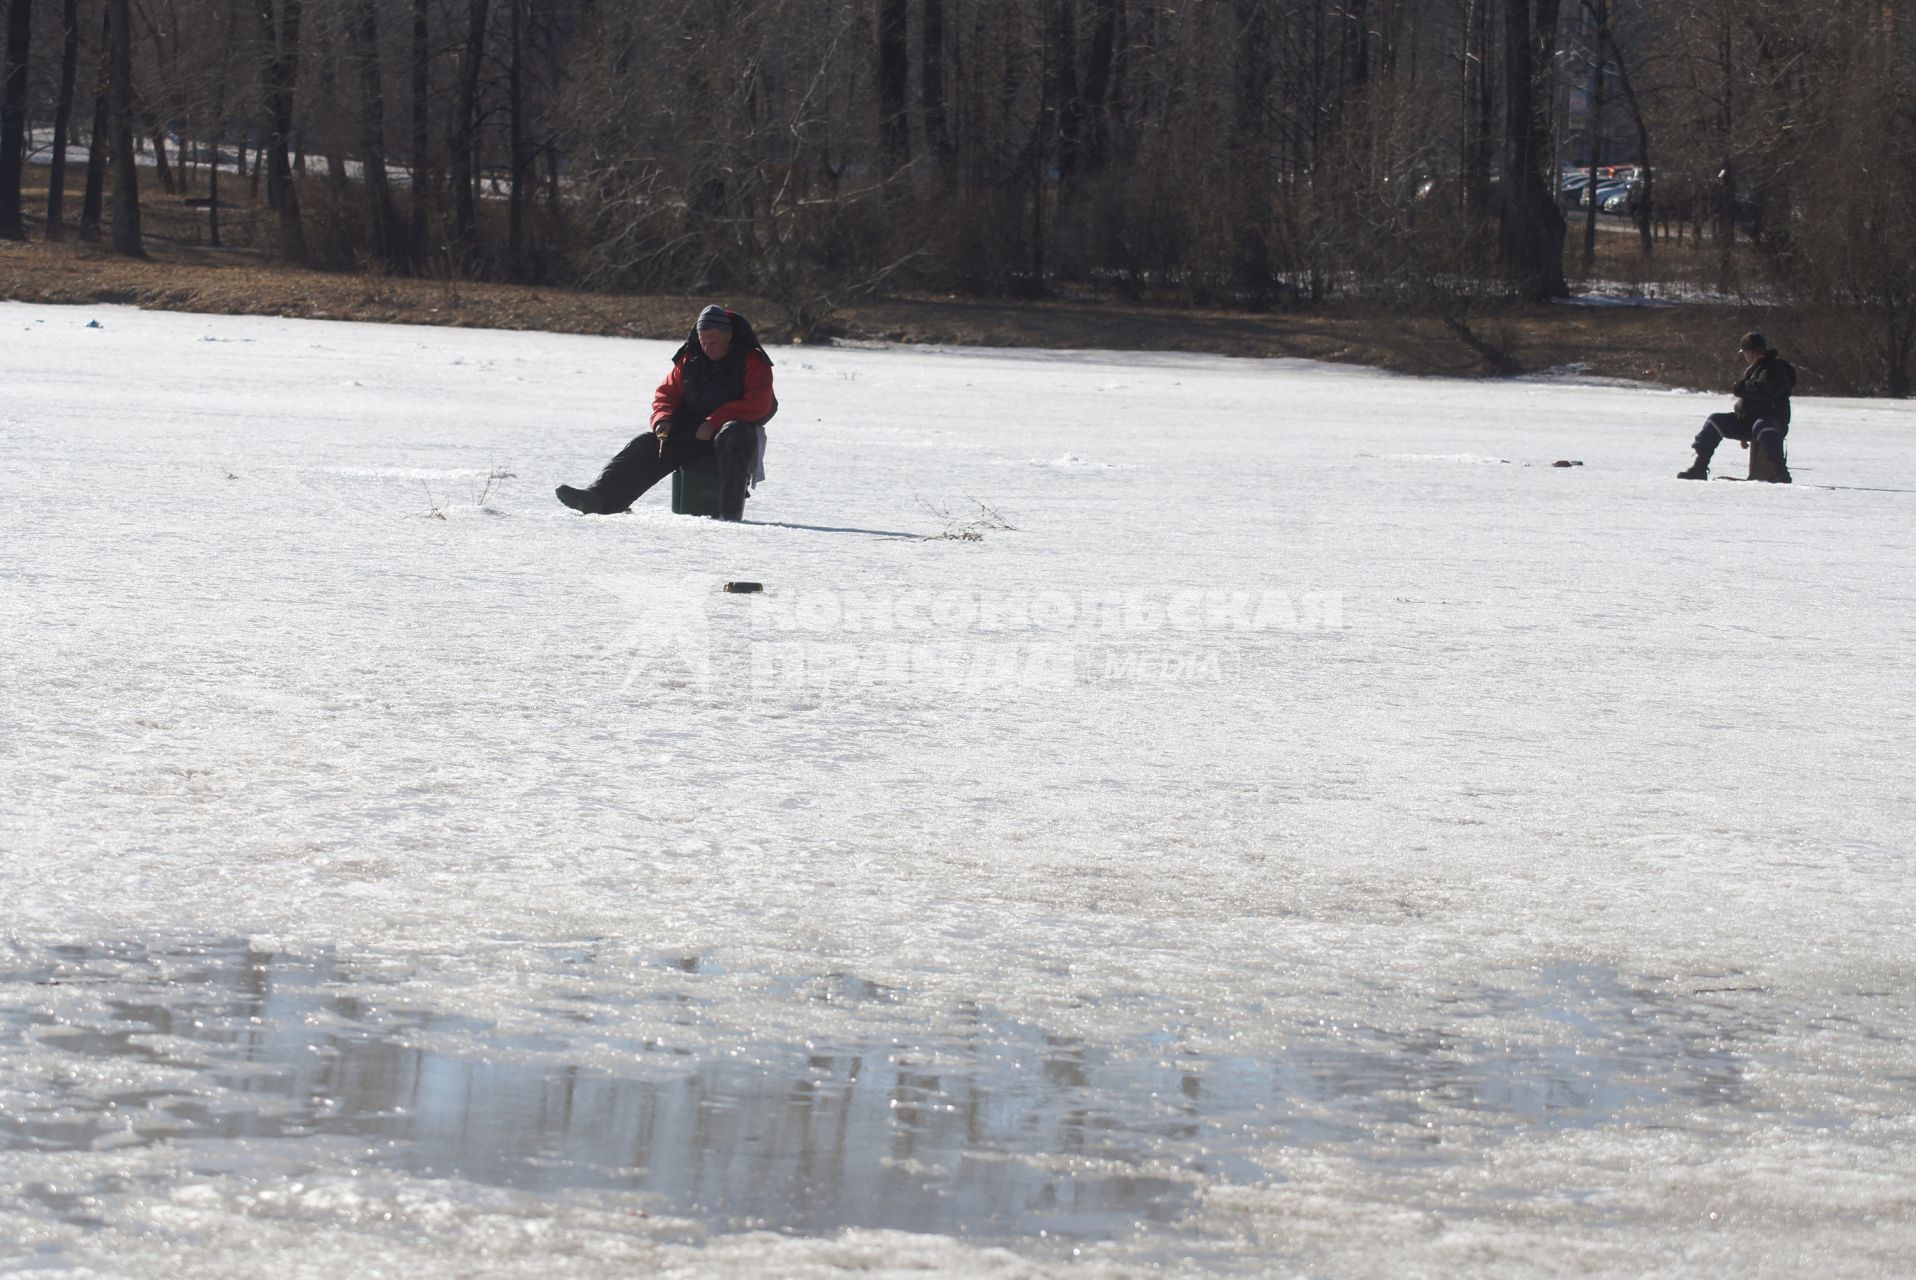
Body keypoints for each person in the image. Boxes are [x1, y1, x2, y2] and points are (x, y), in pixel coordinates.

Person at [557, 305, 777, 520]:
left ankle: (729, 514)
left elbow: (760, 403)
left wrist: (714, 421)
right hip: (691, 432)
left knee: (734, 435)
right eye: (704, 343)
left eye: (715, 343)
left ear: (729, 337)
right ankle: (599, 498)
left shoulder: (752, 361)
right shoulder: (689, 360)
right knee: (645, 444)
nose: (708, 348)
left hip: (731, 434)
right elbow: (666, 395)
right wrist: (663, 420)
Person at [1678, 332, 1795, 482]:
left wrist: (1740, 387)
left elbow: (1763, 391)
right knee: (1715, 421)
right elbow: (1751, 398)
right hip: (1750, 422)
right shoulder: (1755, 368)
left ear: (1751, 352)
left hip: (1773, 422)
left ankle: (1780, 473)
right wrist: (1742, 419)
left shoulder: (1773, 368)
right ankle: (1699, 467)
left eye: (1745, 353)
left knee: (1763, 425)